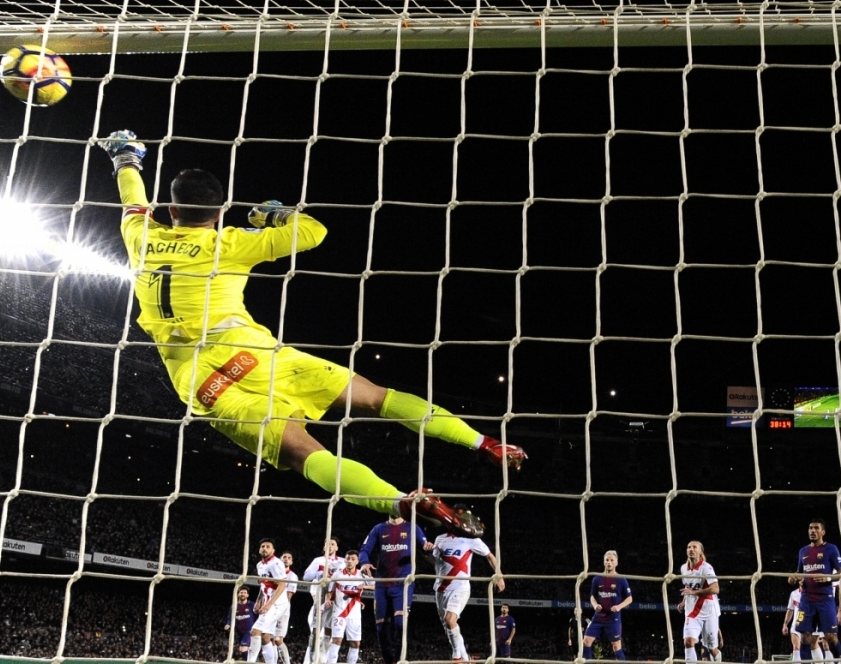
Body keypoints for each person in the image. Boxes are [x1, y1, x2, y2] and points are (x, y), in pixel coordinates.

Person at [95, 131, 528, 537]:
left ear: (171, 211)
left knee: (305, 453)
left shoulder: (140, 238)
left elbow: (133, 201)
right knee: (377, 398)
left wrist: (125, 157)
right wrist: (272, 215)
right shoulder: (230, 243)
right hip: (255, 353)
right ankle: (486, 443)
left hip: (201, 379)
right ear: (220, 212)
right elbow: (313, 231)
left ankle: (400, 502)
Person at [425, 516, 505, 661]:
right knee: (449, 627)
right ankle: (465, 659)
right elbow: (435, 562)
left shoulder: (472, 540)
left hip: (460, 588)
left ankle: (456, 657)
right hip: (441, 589)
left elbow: (490, 556)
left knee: (450, 620)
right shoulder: (440, 539)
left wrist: (499, 575)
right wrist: (426, 551)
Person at [358, 515, 427, 664]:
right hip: (381, 585)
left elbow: (426, 547)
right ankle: (389, 661)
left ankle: (399, 659)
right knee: (381, 630)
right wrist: (364, 562)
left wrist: (428, 548)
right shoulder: (378, 529)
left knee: (400, 624)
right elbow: (364, 550)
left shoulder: (412, 528)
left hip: (403, 584)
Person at [788, 519, 841, 662]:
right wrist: (794, 577)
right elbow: (800, 572)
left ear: (823, 532)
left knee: (830, 637)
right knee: (805, 637)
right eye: (810, 528)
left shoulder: (831, 549)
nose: (812, 531)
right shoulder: (803, 551)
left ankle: (838, 661)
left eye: (816, 528)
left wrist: (828, 578)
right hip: (806, 600)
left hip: (825, 599)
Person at [582, 550, 633, 660]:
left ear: (616, 563)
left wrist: (619, 606)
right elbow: (592, 596)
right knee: (586, 641)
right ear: (604, 562)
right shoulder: (597, 579)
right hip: (598, 616)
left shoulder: (621, 579)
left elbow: (629, 598)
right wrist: (595, 605)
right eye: (607, 560)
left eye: (612, 560)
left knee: (616, 646)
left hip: (613, 618)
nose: (609, 562)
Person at [325, 551, 372, 664]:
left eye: (352, 559)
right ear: (345, 560)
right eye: (348, 559)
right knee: (336, 640)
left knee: (355, 643)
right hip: (339, 612)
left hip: (354, 614)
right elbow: (330, 591)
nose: (350, 561)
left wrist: (365, 586)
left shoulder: (361, 575)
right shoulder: (337, 574)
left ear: (357, 561)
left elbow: (378, 585)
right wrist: (328, 600)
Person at [678, 541, 720, 662]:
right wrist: (684, 601)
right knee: (688, 642)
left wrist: (695, 592)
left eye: (694, 547)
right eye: (689, 547)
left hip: (708, 612)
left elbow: (715, 589)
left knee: (712, 649)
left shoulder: (706, 568)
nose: (691, 549)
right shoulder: (683, 568)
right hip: (691, 612)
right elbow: (688, 587)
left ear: (700, 551)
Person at [304, 540, 344, 664]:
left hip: (336, 601)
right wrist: (320, 572)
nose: (330, 546)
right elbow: (306, 577)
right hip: (320, 600)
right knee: (316, 630)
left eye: (332, 544)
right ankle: (312, 658)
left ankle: (323, 658)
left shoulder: (343, 561)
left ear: (337, 547)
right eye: (327, 544)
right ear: (324, 547)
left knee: (329, 631)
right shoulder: (318, 560)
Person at [251, 539, 291, 664]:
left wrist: (269, 604)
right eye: (262, 546)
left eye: (268, 546)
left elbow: (282, 585)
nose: (264, 548)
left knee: (257, 632)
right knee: (263, 636)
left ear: (273, 550)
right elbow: (263, 585)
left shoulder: (276, 563)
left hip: (278, 603)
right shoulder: (259, 565)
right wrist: (259, 600)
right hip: (269, 602)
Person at [272, 552, 300, 664]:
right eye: (284, 557)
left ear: (291, 562)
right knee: (268, 639)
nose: (286, 559)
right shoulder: (273, 573)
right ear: (280, 559)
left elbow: (288, 596)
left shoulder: (292, 576)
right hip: (270, 608)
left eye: (289, 558)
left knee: (278, 639)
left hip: (282, 610)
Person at [225, 586, 257, 659]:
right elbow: (230, 617)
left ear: (247, 595)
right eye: (241, 592)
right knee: (241, 650)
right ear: (238, 594)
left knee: (243, 649)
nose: (243, 594)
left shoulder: (252, 605)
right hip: (238, 632)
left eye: (245, 593)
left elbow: (257, 616)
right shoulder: (234, 606)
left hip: (249, 631)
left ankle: (249, 662)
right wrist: (228, 624)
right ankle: (250, 660)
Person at [782, 581, 803, 661]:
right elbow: (790, 610)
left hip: (809, 624)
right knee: (796, 647)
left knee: (812, 648)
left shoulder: (811, 593)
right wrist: (785, 624)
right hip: (796, 624)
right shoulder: (794, 594)